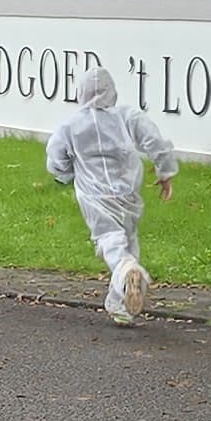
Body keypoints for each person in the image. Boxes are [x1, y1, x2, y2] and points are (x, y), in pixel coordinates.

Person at [45, 63, 177, 325]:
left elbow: (55, 159)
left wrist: (66, 173)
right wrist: (165, 172)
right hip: (127, 192)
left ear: (81, 92)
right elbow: (155, 142)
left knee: (110, 241)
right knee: (128, 240)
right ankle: (120, 305)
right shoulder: (127, 116)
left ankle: (128, 273)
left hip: (94, 196)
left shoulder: (70, 125)